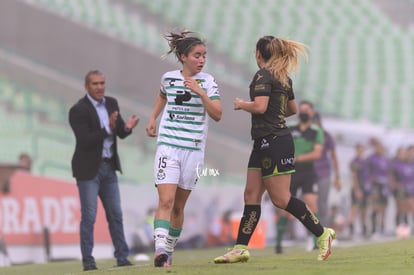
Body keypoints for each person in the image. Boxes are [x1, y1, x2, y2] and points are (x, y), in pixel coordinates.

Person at [213, 36, 335, 264]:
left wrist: (242, 105)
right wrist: (272, 114)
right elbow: (292, 110)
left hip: (274, 141)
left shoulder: (263, 75)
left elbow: (260, 106)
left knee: (281, 199)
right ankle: (240, 248)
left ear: (258, 54)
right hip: (264, 141)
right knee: (251, 195)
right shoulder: (283, 77)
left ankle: (323, 233)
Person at [145, 30, 222, 267]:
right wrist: (152, 118)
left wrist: (200, 93)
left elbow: (217, 114)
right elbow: (162, 95)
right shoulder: (168, 78)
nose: (201, 60)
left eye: (204, 56)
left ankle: (168, 250)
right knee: (165, 201)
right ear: (183, 56)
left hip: (194, 151)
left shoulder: (208, 82)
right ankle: (159, 251)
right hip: (168, 146)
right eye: (197, 55)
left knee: (178, 206)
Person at [69, 70, 139, 271]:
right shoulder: (78, 110)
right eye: (95, 84)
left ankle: (122, 257)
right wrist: (108, 129)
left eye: (102, 83)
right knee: (89, 217)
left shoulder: (111, 103)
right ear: (86, 87)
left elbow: (120, 133)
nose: (100, 87)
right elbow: (85, 140)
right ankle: (88, 262)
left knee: (116, 214)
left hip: (109, 167)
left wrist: (127, 127)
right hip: (88, 171)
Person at [275, 100, 324, 253]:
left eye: (306, 110)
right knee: (285, 206)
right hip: (291, 172)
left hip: (308, 172)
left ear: (312, 113)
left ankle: (316, 240)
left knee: (312, 205)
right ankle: (278, 243)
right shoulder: (290, 128)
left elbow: (317, 153)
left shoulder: (316, 131)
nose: (303, 113)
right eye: (301, 110)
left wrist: (298, 158)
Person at [313, 112, 342, 227]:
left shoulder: (326, 135)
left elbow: (334, 156)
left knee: (322, 204)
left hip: (323, 173)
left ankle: (324, 231)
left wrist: (337, 177)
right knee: (308, 204)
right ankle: (311, 234)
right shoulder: (306, 134)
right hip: (308, 173)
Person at [366, 138, 390, 237]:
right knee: (375, 208)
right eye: (378, 147)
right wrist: (369, 186)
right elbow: (367, 173)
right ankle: (373, 230)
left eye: (381, 147)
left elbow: (389, 173)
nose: (380, 149)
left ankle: (382, 229)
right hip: (375, 186)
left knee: (384, 208)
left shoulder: (386, 159)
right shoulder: (371, 158)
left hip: (384, 186)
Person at [347, 143, 370, 238]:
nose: (361, 150)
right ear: (356, 150)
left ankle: (364, 230)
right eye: (359, 149)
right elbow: (353, 176)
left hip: (365, 188)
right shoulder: (354, 162)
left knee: (364, 209)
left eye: (362, 149)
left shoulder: (364, 161)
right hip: (358, 188)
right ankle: (351, 229)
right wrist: (357, 189)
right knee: (355, 209)